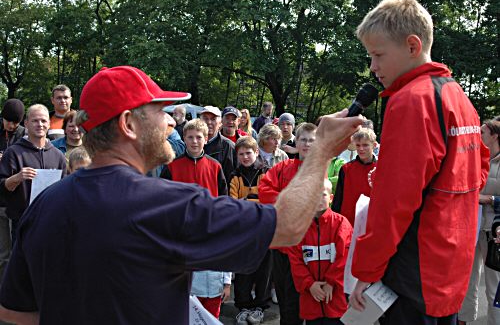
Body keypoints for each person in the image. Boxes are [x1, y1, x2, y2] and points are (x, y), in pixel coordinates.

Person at [0, 65, 362, 325]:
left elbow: (14, 312)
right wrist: (320, 152)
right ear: (128, 124)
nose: (171, 121)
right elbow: (287, 226)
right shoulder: (167, 204)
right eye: (159, 111)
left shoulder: (43, 207)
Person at [349, 0, 490, 324]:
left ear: (412, 46)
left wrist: (368, 269)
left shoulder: (411, 101)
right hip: (449, 268)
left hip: (414, 271)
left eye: (378, 54)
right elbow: (477, 171)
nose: (373, 66)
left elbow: (394, 202)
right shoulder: (458, 96)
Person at [160, 119, 230, 318]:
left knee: (209, 286)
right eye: (190, 137)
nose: (194, 141)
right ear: (184, 139)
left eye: (199, 137)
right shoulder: (172, 167)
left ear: (206, 139)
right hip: (181, 233)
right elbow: (163, 202)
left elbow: (223, 200)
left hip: (209, 230)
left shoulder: (215, 166)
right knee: (185, 290)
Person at [259, 122, 318, 325]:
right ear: (296, 141)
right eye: (303, 139)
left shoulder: (320, 170)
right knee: (284, 299)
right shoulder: (283, 167)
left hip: (306, 247)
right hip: (281, 245)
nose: (307, 144)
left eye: (312, 140)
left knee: (300, 301)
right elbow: (264, 189)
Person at [288, 179, 352, 325]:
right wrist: (310, 284)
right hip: (311, 298)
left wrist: (331, 282)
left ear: (331, 198)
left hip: (335, 297)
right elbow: (295, 261)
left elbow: (345, 258)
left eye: (322, 195)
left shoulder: (341, 224)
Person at [0, 104, 67, 242]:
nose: (40, 124)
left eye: (43, 121)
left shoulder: (58, 155)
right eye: (35, 120)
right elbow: (2, 187)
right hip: (22, 223)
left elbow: (66, 190)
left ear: (49, 124)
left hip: (50, 221)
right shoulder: (13, 153)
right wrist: (17, 178)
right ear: (26, 123)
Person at [459, 116, 500, 325]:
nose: (477, 135)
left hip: (494, 234)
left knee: (494, 288)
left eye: (482, 132)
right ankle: (463, 321)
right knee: (466, 282)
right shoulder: (474, 158)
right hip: (469, 230)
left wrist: (489, 199)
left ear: (494, 136)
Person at [230, 136, 272, 325]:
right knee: (243, 270)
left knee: (264, 270)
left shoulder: (267, 173)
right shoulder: (235, 175)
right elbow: (232, 204)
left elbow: (268, 201)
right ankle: (243, 306)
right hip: (243, 231)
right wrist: (253, 201)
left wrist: (246, 201)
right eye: (241, 154)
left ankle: (259, 307)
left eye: (249, 152)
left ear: (256, 152)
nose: (245, 157)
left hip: (264, 229)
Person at [0, 98, 25, 286]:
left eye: (16, 123)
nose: (11, 125)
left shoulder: (23, 134)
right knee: (3, 252)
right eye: (9, 121)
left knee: (16, 248)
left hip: (17, 198)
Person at [331, 128, 377, 226]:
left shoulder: (382, 169)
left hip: (373, 221)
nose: (361, 149)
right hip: (348, 221)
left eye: (365, 145)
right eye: (358, 145)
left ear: (374, 145)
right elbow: (338, 198)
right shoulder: (346, 169)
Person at [200, 105, 237, 186]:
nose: (209, 122)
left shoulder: (229, 147)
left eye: (213, 119)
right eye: (205, 118)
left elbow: (231, 180)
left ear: (220, 123)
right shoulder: (192, 143)